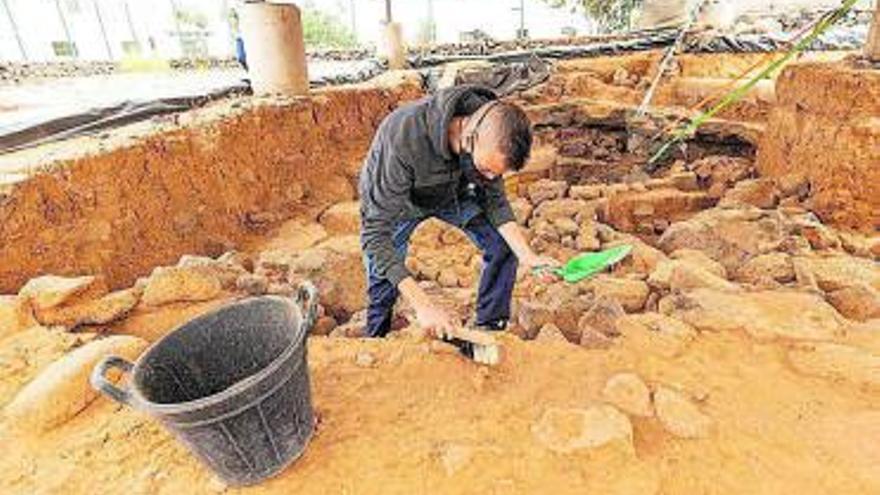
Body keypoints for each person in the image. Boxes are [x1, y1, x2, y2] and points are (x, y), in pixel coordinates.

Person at [358, 84, 557, 340]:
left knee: (503, 245)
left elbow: (495, 202)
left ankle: (489, 327)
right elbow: (375, 237)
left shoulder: (493, 130)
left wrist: (528, 256)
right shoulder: (403, 137)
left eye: (495, 173)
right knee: (382, 276)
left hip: (453, 193)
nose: (491, 178)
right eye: (486, 171)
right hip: (401, 202)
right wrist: (424, 305)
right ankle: (376, 338)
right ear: (469, 136)